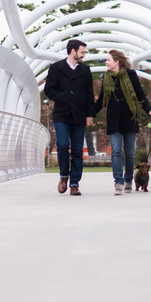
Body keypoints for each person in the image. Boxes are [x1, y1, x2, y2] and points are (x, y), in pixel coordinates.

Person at [94, 49, 151, 195]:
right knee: (116, 151)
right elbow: (101, 100)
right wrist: (89, 114)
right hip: (113, 120)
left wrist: (149, 110)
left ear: (117, 61)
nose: (106, 62)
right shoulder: (107, 77)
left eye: (108, 59)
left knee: (130, 153)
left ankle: (129, 179)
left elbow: (140, 95)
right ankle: (118, 182)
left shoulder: (131, 75)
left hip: (130, 118)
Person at [43, 39, 96, 196]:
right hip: (62, 113)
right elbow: (49, 90)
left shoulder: (85, 70)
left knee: (78, 150)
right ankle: (63, 175)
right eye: (82, 52)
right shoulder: (56, 68)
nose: (84, 55)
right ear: (73, 51)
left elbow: (89, 94)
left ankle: (74, 183)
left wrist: (90, 114)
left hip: (79, 114)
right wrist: (64, 96)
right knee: (62, 145)